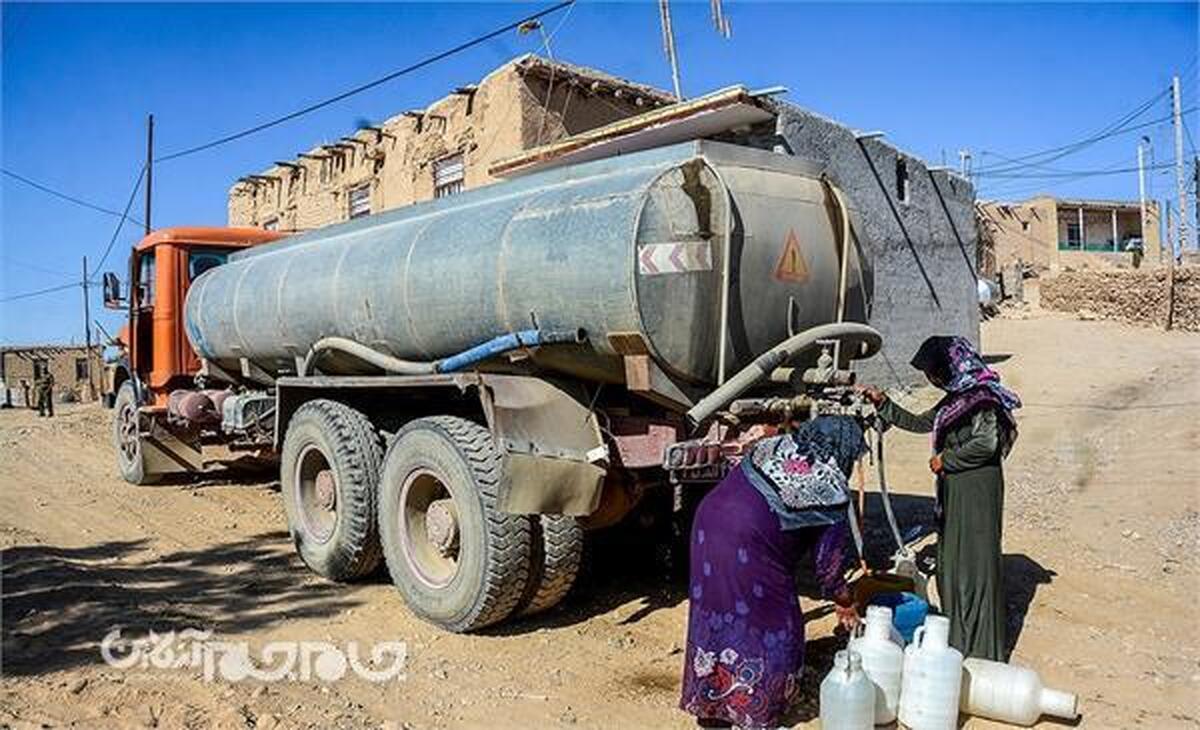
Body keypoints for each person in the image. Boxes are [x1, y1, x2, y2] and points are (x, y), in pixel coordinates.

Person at [679, 415, 867, 729]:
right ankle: (758, 710)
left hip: (709, 523)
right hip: (751, 543)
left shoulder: (774, 446)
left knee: (717, 609)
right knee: (778, 625)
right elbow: (827, 566)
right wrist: (845, 600)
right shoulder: (831, 486)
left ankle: (711, 702)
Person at [861, 335, 1020, 661]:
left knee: (974, 565)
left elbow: (987, 444)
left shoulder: (984, 400)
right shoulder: (957, 398)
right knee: (953, 563)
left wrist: (945, 460)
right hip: (955, 490)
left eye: (934, 372)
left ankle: (979, 649)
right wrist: (884, 404)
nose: (931, 380)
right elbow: (923, 422)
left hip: (976, 489)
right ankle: (957, 640)